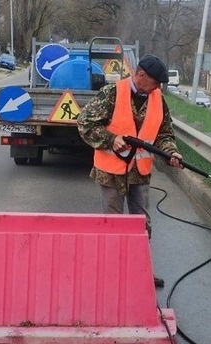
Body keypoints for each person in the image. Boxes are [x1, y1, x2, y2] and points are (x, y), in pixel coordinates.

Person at [77, 54, 183, 288]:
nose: (157, 87)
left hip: (139, 173)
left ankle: (140, 271)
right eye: (155, 82)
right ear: (141, 75)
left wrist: (171, 152)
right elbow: (85, 123)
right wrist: (110, 139)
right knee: (113, 224)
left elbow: (164, 134)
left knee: (142, 224)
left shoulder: (157, 99)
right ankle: (113, 274)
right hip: (111, 171)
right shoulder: (112, 93)